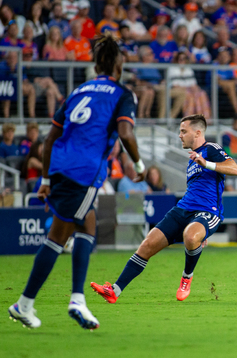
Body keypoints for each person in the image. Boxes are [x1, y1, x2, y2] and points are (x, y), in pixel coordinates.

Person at [8, 34, 145, 330]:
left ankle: (75, 298)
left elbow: (50, 138)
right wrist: (139, 163)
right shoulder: (122, 94)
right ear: (118, 65)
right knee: (59, 236)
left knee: (87, 224)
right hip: (83, 171)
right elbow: (125, 132)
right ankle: (28, 303)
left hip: (59, 165)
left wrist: (46, 178)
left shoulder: (78, 91)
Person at [91, 115, 237, 302]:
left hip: (208, 211)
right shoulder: (192, 159)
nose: (180, 135)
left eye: (183, 131)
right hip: (183, 209)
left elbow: (234, 169)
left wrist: (206, 163)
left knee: (191, 236)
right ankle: (114, 291)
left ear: (198, 132)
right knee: (147, 245)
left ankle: (187, 277)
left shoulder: (211, 149)